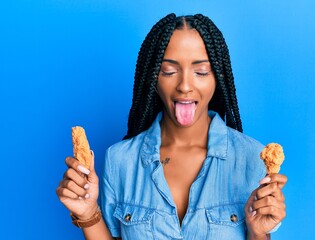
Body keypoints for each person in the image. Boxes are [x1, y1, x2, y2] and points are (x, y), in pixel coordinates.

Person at [56, 13, 287, 240]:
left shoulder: (252, 159)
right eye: (169, 71)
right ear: (153, 78)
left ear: (217, 78)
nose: (184, 85)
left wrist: (258, 232)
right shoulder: (120, 161)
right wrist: (88, 214)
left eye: (201, 72)